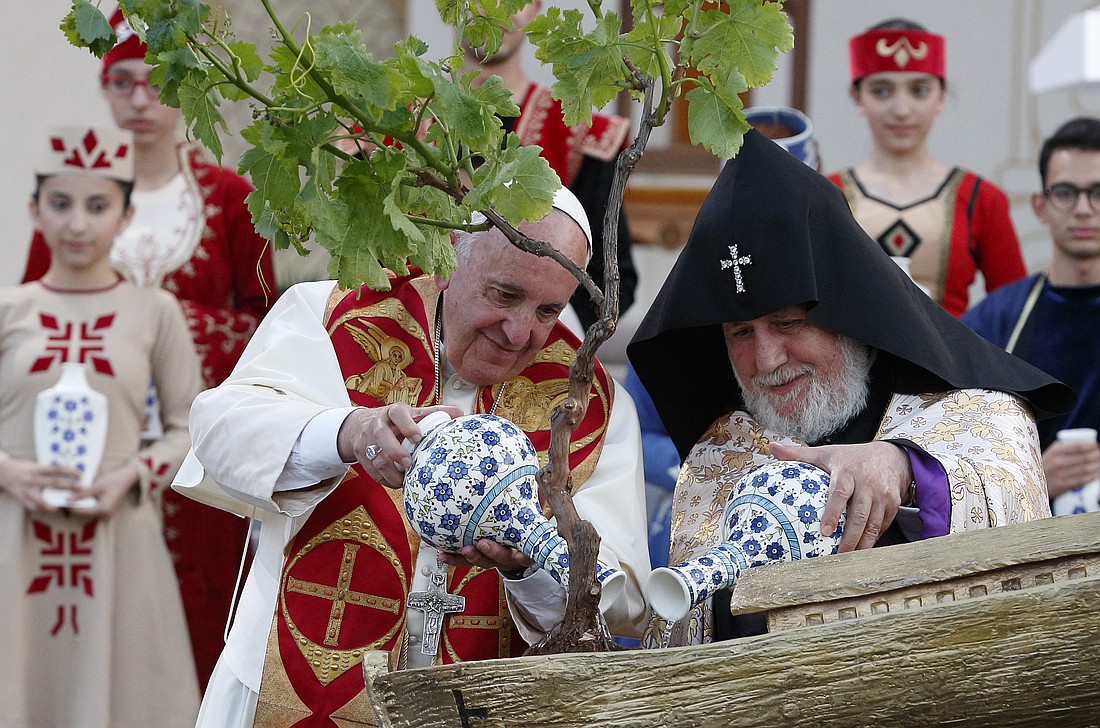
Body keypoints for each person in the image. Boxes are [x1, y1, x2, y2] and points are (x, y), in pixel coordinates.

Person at [175, 185, 650, 725]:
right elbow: (216, 433)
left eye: (548, 309)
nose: (520, 332)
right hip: (296, 684)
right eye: (502, 295)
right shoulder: (333, 317)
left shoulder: (587, 403)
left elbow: (622, 603)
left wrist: (527, 571)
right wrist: (348, 433)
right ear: (447, 259)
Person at [627, 128, 1072, 647]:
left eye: (788, 323)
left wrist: (904, 468)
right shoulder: (722, 453)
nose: (766, 360)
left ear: (848, 313)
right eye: (740, 333)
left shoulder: (977, 412)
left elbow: (1008, 509)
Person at [20, 10, 279, 689]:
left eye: (158, 83)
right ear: (105, 88)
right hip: (78, 443)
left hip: (190, 452)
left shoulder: (230, 199)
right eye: (122, 82)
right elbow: (30, 316)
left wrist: (166, 325)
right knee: (72, 605)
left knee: (193, 615)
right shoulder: (74, 197)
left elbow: (269, 336)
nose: (139, 100)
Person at [0, 126, 202, 726]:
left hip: (121, 536)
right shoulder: (9, 311)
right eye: (60, 204)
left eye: (97, 205)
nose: (78, 225)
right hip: (15, 539)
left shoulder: (154, 311)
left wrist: (134, 475)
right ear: (35, 210)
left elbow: (192, 426)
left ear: (126, 214)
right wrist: (7, 471)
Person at [827, 19, 1026, 317]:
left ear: (941, 97)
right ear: (857, 98)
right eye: (881, 91)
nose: (902, 110)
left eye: (919, 90)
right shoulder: (826, 194)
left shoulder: (982, 199)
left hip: (954, 363)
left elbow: (1016, 312)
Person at [463, 0, 637, 331]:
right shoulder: (397, 132)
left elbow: (611, 285)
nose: (496, 11)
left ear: (535, 7)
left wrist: (533, 335)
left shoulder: (579, 135)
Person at [963, 116, 1100, 513]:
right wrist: (1033, 476)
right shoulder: (996, 322)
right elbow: (957, 449)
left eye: (1097, 192)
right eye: (1065, 192)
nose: (1083, 209)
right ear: (1040, 206)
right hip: (1028, 546)